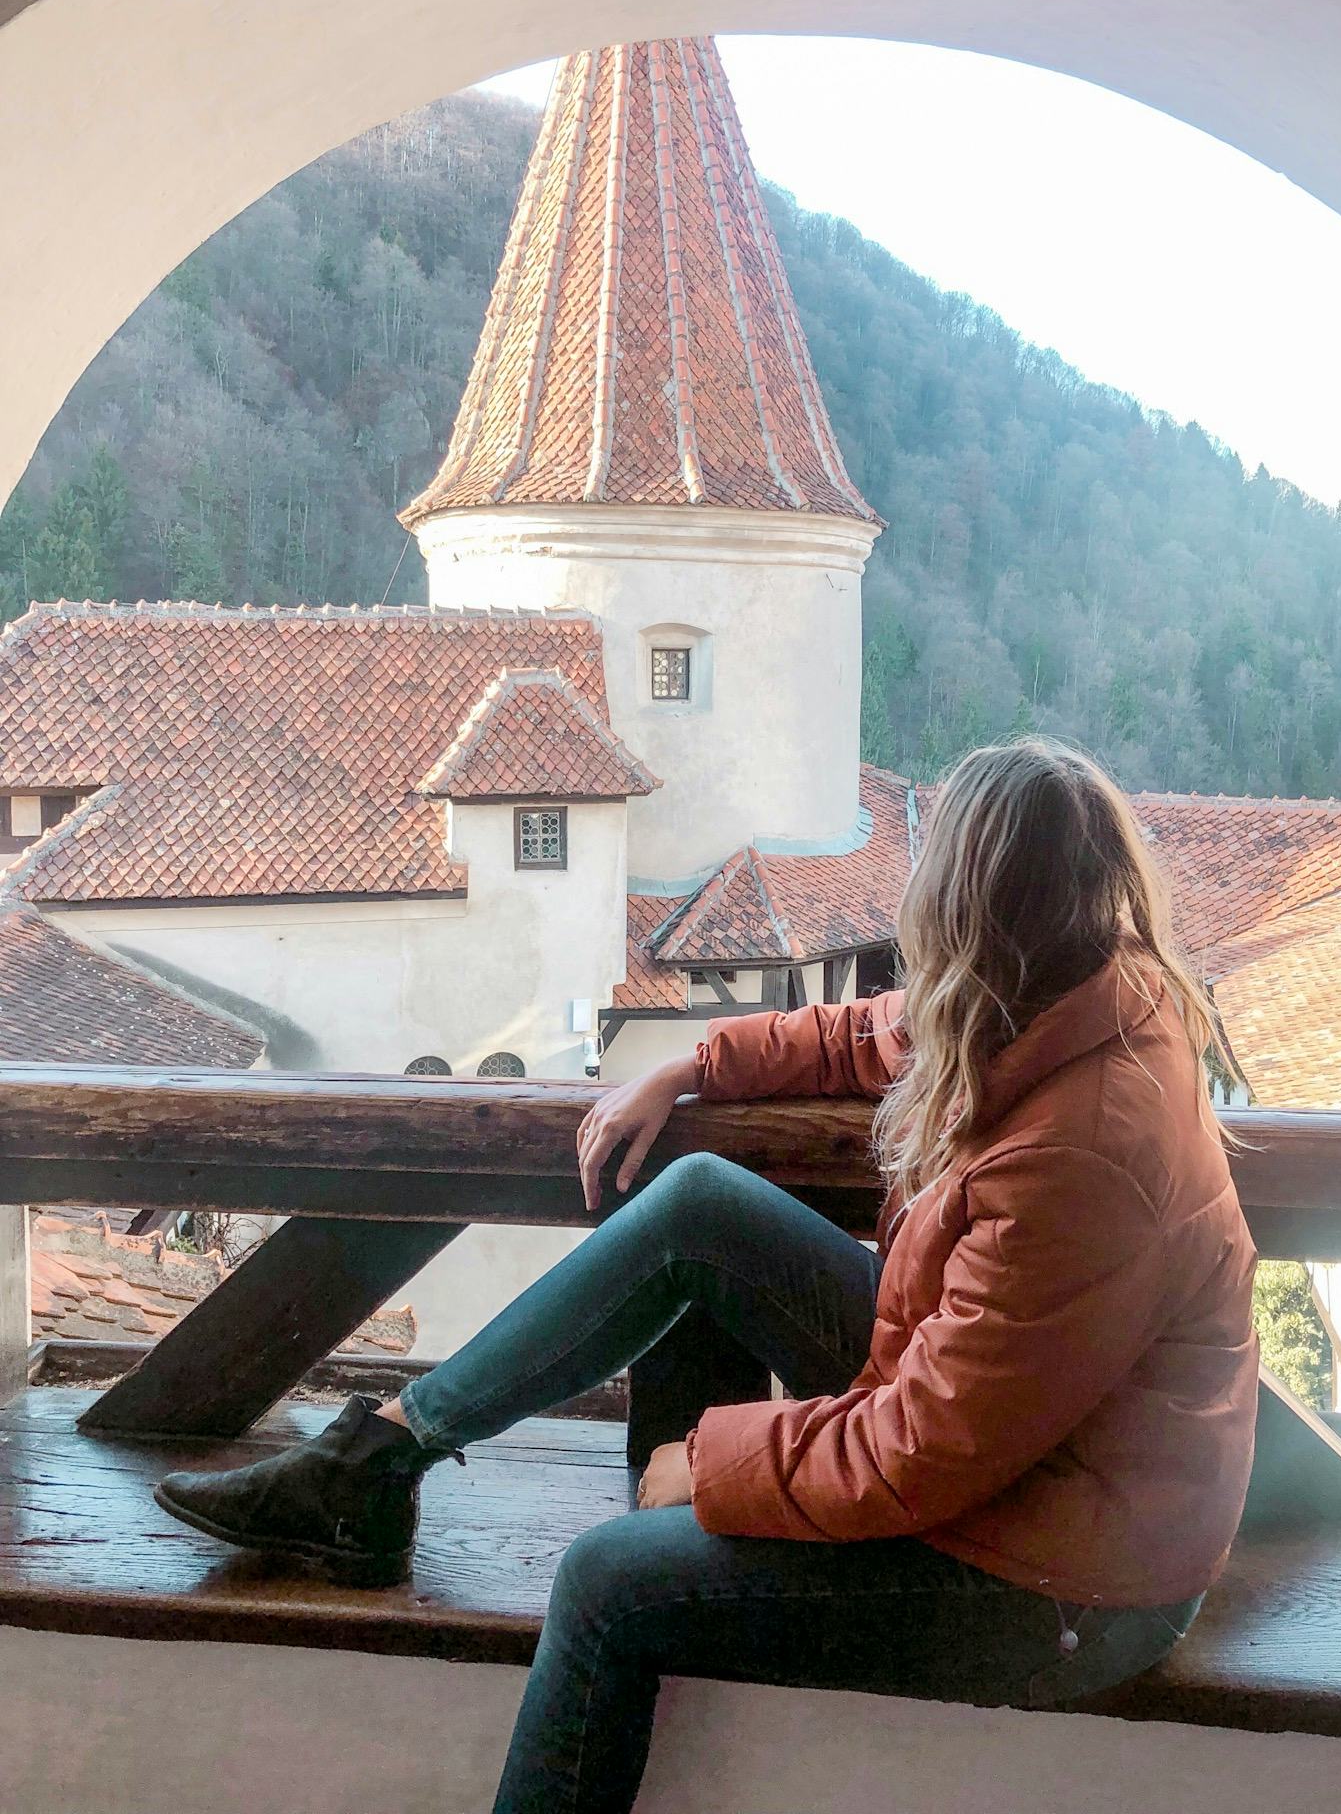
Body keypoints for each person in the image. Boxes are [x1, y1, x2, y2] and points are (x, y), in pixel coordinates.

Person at [153, 738, 1259, 1814]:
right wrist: (687, 1066)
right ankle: (377, 1457)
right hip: (1023, 1450)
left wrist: (711, 1461)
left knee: (602, 1582)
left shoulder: (1084, 1149)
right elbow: (868, 1030)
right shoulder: (1057, 994)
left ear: (964, 912)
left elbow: (925, 1454)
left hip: (1058, 1576)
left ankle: (624, 1525)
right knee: (696, 1203)